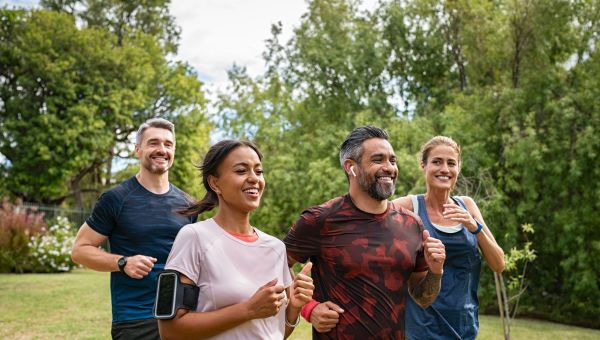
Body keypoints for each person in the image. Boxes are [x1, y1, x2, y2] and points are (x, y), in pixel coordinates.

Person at [283, 126, 446, 339]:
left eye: (393, 160)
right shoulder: (320, 220)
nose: (389, 168)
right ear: (351, 167)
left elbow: (423, 298)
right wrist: (309, 308)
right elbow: (275, 265)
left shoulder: (412, 224)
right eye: (378, 160)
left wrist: (436, 270)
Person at [158, 139, 314, 339]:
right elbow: (169, 330)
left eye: (258, 172)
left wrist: (294, 306)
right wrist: (249, 309)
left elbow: (273, 332)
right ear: (215, 183)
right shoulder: (194, 237)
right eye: (241, 171)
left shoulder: (275, 248)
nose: (254, 179)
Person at [71, 118, 196, 340]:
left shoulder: (188, 204)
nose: (162, 150)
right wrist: (123, 263)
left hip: (181, 315)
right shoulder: (116, 199)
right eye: (153, 143)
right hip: (135, 319)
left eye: (168, 144)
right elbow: (80, 250)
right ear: (137, 150)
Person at [395, 135, 505, 339]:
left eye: (451, 163)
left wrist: (474, 226)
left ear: (458, 169)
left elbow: (499, 264)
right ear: (423, 166)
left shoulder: (468, 206)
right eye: (436, 162)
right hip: (420, 329)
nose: (444, 169)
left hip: (464, 328)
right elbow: (369, 223)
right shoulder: (408, 207)